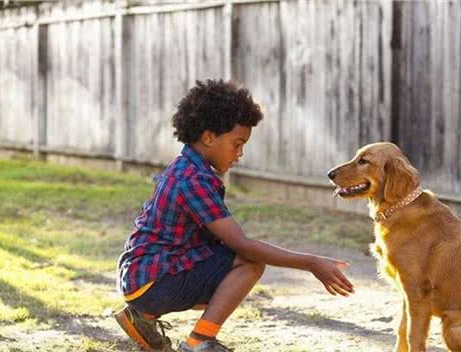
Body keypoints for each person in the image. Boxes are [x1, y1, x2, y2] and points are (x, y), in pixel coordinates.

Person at [115, 79, 354, 352]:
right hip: (152, 283)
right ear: (208, 137)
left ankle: (142, 317)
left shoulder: (186, 167)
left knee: (228, 259)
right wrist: (311, 263)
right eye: (237, 143)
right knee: (249, 262)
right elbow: (242, 245)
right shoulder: (193, 179)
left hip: (140, 278)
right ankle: (200, 341)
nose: (240, 153)